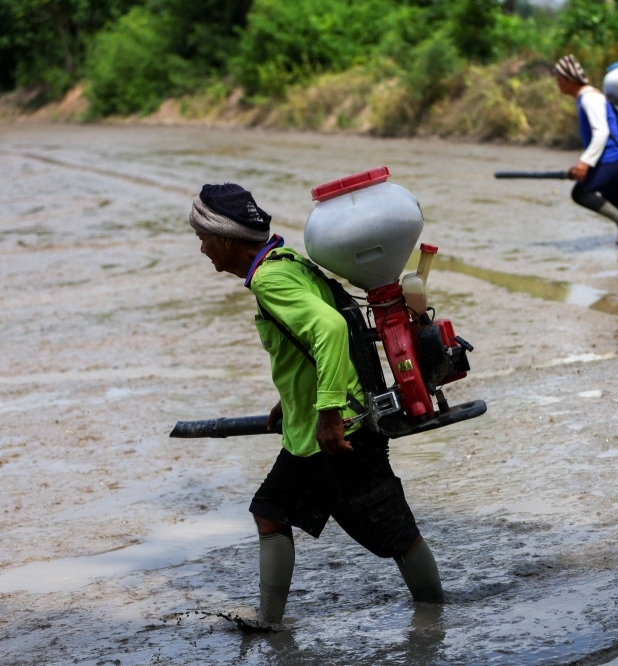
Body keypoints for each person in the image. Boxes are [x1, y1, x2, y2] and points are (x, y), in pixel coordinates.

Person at [188, 183, 445, 625]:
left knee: (395, 533)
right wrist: (291, 401)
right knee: (270, 511)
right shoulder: (286, 262)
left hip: (337, 432)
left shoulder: (270, 280)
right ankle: (269, 619)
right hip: (316, 429)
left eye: (203, 237)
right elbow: (307, 347)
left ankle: (437, 616)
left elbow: (328, 330)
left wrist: (327, 413)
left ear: (227, 239)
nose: (202, 247)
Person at [553, 54, 618, 246]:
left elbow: (601, 132)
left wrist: (584, 163)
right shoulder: (586, 97)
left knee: (580, 193)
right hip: (612, 159)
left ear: (569, 80)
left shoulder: (589, 98)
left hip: (611, 158)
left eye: (559, 80)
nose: (558, 84)